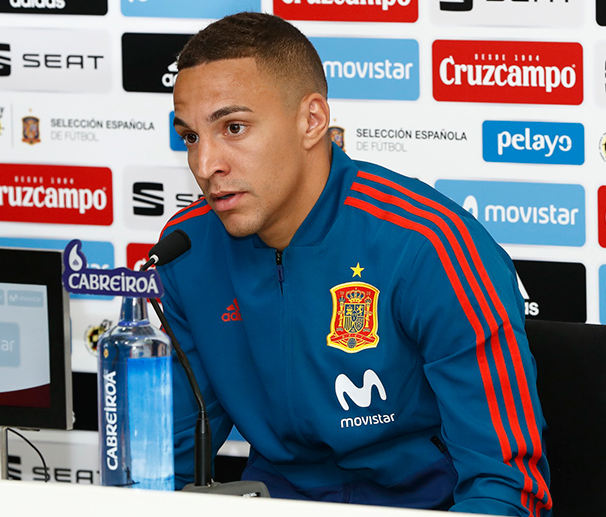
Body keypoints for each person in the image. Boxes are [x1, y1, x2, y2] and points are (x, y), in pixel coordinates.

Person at [158, 12, 551, 516]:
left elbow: (506, 486)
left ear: (312, 121)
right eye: (190, 136)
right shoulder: (189, 249)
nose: (205, 164)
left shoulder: (428, 244)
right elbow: (162, 462)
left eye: (233, 127)